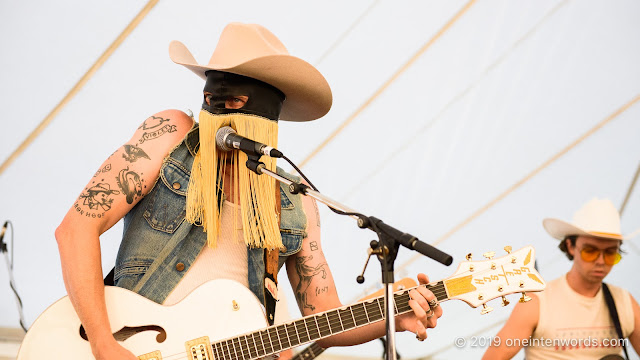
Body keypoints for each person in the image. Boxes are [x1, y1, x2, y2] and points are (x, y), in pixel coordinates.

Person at [55, 22, 442, 360]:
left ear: (266, 114)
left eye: (236, 101)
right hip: (131, 344)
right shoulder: (170, 134)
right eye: (210, 98)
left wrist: (393, 314)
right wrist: (103, 345)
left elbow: (325, 319)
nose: (218, 110)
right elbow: (75, 229)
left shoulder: (295, 199)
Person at [483, 197, 640, 359]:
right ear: (571, 246)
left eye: (609, 253)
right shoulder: (537, 302)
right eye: (590, 251)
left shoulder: (624, 302)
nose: (600, 261)